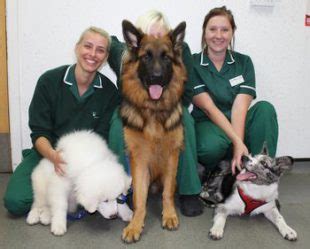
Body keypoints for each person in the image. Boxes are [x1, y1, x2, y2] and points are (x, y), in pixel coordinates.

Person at [3, 27, 120, 216]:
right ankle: (53, 195)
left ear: (106, 57)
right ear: (76, 48)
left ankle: (60, 200)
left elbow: (102, 141)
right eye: (87, 46)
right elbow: (39, 132)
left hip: (84, 165)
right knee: (15, 202)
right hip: (46, 152)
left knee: (82, 200)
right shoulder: (49, 81)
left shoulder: (109, 92)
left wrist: (77, 171)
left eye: (100, 50)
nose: (92, 54)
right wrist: (52, 156)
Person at [108, 10, 203, 217]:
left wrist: (166, 105)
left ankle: (189, 191)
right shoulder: (125, 52)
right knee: (118, 122)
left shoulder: (180, 50)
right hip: (135, 109)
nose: (157, 40)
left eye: (161, 36)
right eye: (152, 35)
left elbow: (187, 92)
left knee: (184, 119)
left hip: (168, 108)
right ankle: (121, 190)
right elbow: (109, 42)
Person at [190, 6, 278, 182]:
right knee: (209, 147)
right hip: (209, 124)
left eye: (225, 30)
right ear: (204, 32)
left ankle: (260, 173)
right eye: (213, 29)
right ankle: (219, 170)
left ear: (232, 32)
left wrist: (238, 142)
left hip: (239, 121)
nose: (218, 35)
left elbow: (240, 105)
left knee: (265, 109)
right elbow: (209, 108)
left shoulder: (243, 62)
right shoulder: (192, 63)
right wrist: (238, 142)